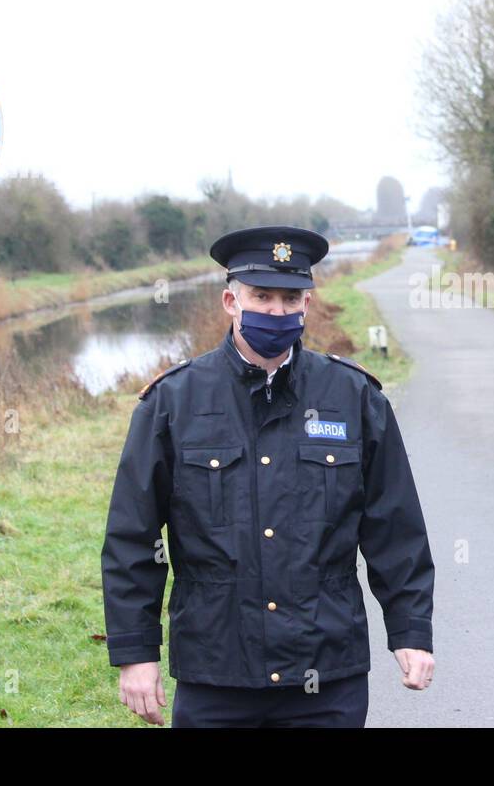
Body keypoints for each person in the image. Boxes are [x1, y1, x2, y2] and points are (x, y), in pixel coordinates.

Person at [101, 225, 435, 727]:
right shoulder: (173, 403)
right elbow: (132, 536)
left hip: (326, 672)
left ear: (307, 303)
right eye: (262, 296)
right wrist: (136, 651)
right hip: (216, 673)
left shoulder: (354, 398)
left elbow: (394, 526)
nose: (276, 311)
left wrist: (410, 629)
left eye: (290, 297)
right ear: (230, 301)